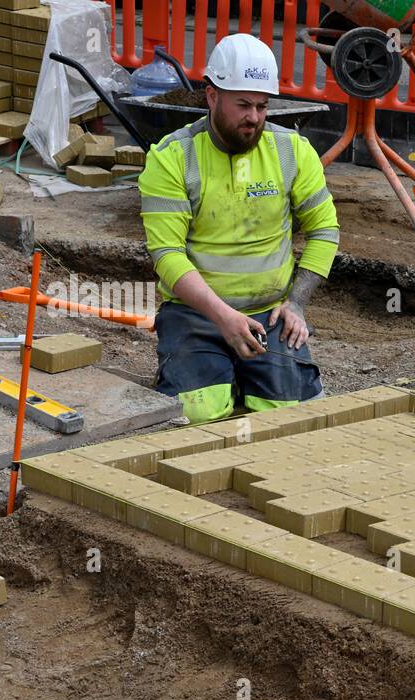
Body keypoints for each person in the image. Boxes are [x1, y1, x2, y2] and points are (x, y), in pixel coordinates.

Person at [138, 33, 340, 424]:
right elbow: (166, 255)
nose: (254, 118)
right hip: (196, 315)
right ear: (212, 96)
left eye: (263, 107)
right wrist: (223, 318)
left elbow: (325, 230)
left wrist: (296, 304)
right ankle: (215, 373)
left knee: (291, 416)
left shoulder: (292, 151)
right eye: (243, 105)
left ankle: (241, 378)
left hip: (270, 315)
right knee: (197, 414)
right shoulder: (172, 157)